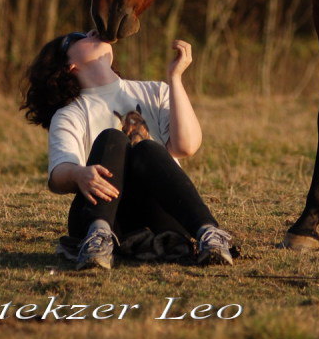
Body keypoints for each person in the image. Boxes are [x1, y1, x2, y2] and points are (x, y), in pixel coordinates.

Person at [21, 30, 236, 270]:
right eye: (78, 37)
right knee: (112, 138)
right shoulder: (71, 114)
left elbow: (186, 146)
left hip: (163, 214)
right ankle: (99, 238)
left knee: (146, 148)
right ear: (69, 65)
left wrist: (175, 78)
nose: (92, 32)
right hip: (106, 216)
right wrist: (78, 174)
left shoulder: (157, 91)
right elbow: (58, 176)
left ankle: (210, 234)